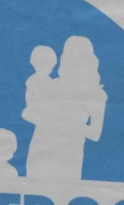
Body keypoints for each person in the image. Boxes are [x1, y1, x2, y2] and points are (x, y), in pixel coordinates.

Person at [23, 36, 107, 181]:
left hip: (69, 155)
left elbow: (95, 133)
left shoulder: (97, 94)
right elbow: (29, 113)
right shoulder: (50, 85)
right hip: (41, 150)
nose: (72, 60)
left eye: (78, 56)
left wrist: (59, 121)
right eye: (68, 55)